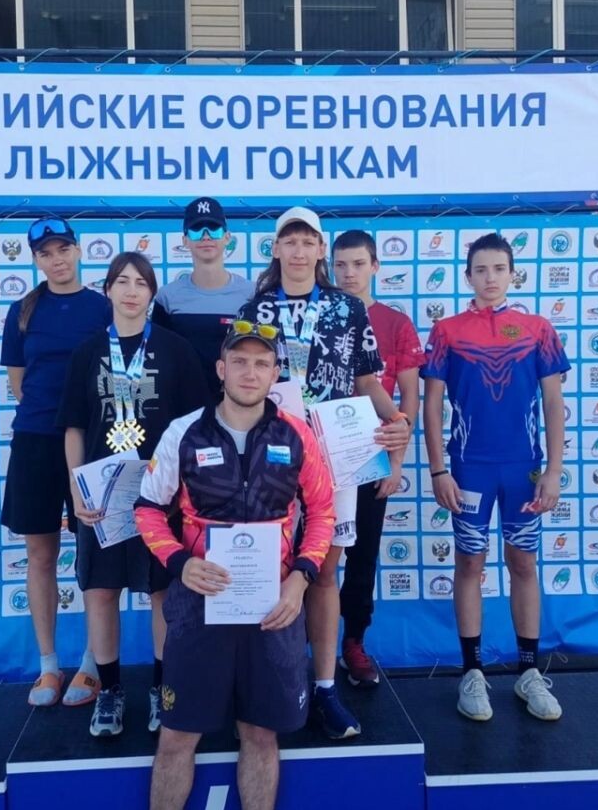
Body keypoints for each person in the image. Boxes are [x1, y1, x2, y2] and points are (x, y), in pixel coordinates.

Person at [135, 322, 335, 810]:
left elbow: (322, 511)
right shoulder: (184, 432)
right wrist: (180, 563)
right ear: (221, 369)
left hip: (273, 606)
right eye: (240, 362)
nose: (250, 372)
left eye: (262, 363)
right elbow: (148, 509)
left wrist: (301, 578)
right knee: (177, 737)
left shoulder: (297, 434)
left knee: (261, 734)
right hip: (200, 604)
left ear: (275, 373)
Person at [235, 206, 411, 740]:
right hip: (270, 456)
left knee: (325, 572)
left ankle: (326, 688)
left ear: (319, 250)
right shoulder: (255, 309)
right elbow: (241, 385)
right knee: (271, 570)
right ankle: (274, 683)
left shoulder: (347, 308)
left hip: (336, 454)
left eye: (307, 241)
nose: (298, 250)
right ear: (276, 249)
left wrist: (397, 422)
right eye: (288, 241)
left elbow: (366, 380)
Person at [421, 232, 570, 722]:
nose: (490, 278)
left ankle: (529, 672)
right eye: (481, 270)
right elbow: (432, 405)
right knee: (470, 564)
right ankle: (472, 672)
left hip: (524, 469)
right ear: (468, 276)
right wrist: (438, 468)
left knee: (523, 563)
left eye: (499, 269)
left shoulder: (537, 329)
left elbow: (553, 403)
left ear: (512, 274)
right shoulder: (447, 331)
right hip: (469, 469)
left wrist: (553, 471)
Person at [59, 251, 208, 737]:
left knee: (161, 592)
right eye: (121, 282)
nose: (130, 291)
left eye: (140, 283)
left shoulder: (175, 349)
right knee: (101, 591)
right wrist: (75, 486)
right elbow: (74, 426)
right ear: (107, 291)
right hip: (101, 495)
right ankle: (110, 692)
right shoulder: (86, 353)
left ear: (152, 294)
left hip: (158, 493)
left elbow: (196, 425)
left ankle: (162, 691)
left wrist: (183, 486)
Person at [0, 217, 111, 709]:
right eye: (45, 253)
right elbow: (19, 382)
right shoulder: (22, 311)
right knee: (40, 555)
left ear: (79, 251)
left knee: (93, 555)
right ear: (35, 260)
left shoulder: (103, 307)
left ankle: (92, 663)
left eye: (63, 249)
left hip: (93, 444)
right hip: (36, 441)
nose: (56, 259)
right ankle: (48, 665)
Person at [330, 230, 425, 687]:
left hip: (371, 454)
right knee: (309, 554)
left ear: (375, 266)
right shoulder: (320, 314)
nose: (348, 274)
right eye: (340, 265)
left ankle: (354, 642)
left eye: (358, 264)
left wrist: (397, 460)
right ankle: (297, 649)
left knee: (362, 552)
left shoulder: (395, 323)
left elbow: (409, 398)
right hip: (317, 454)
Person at [152, 196, 255, 404]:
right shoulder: (167, 297)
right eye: (197, 230)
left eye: (214, 229)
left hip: (238, 406)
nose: (206, 236)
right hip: (184, 407)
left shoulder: (251, 294)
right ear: (185, 240)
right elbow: (159, 359)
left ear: (227, 237)